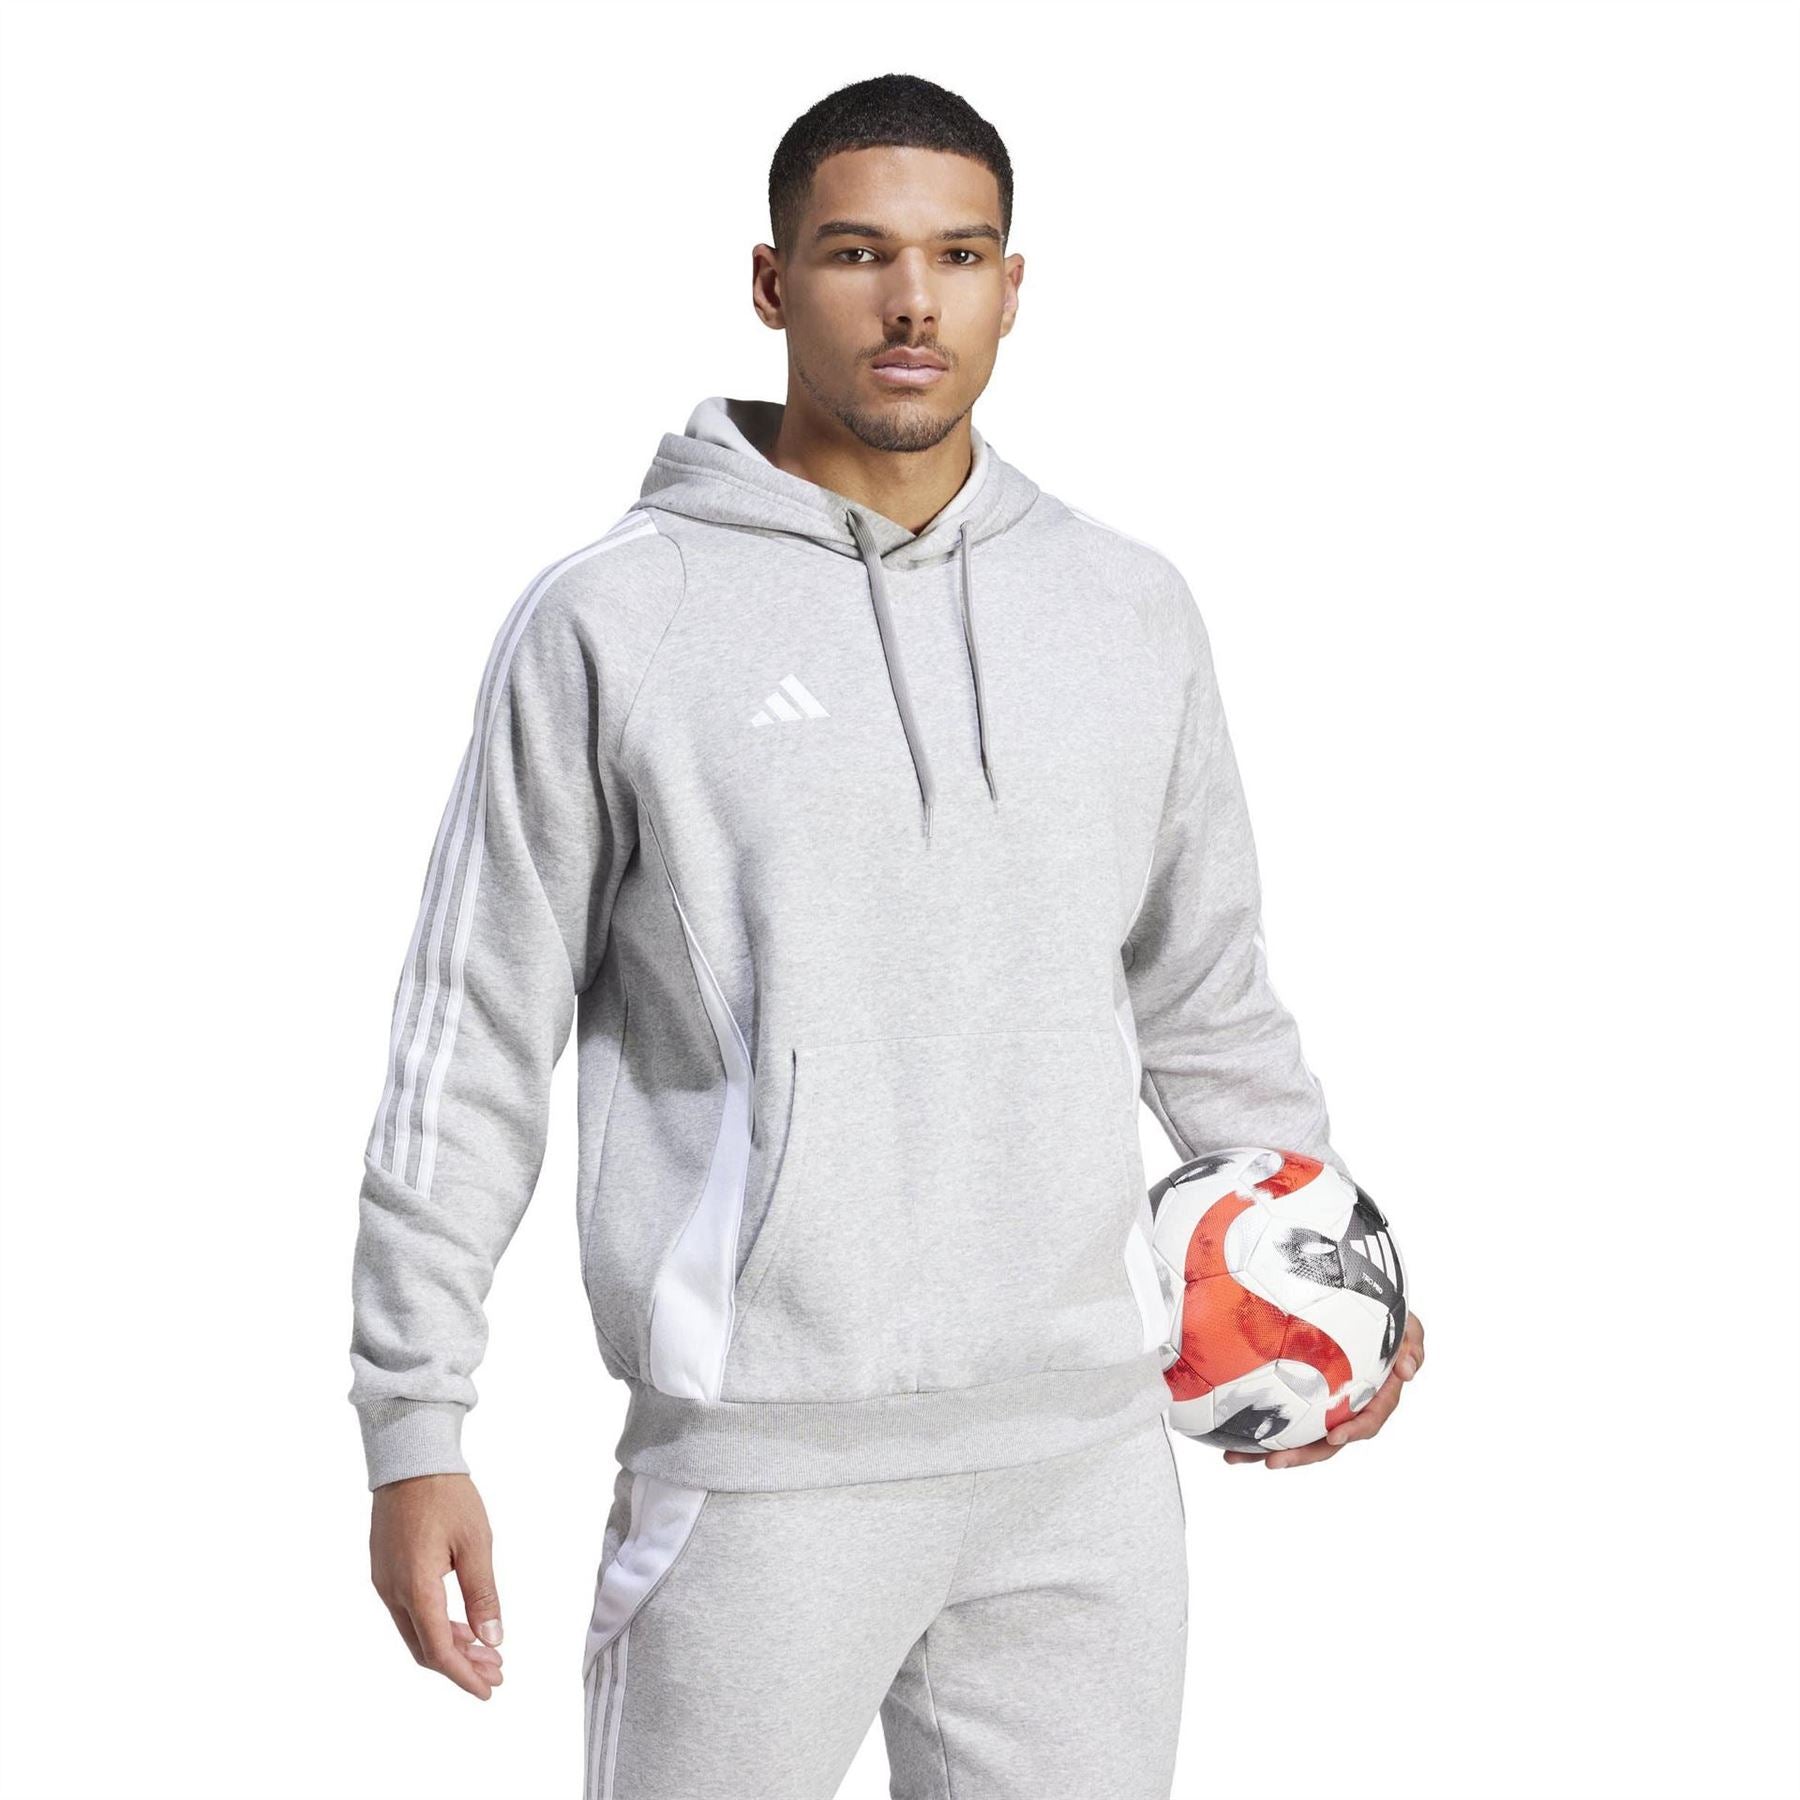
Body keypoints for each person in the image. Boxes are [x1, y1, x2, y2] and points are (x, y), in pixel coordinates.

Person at [349, 71, 1425, 1800]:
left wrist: (1334, 1276)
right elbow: (473, 1028)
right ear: (773, 282)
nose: (914, 302)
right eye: (859, 254)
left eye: (959, 256)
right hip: (759, 1471)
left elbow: (1205, 992)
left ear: (1014, 285)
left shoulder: (1128, 608)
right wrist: (416, 1419)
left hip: (1084, 1467)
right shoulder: (615, 618)